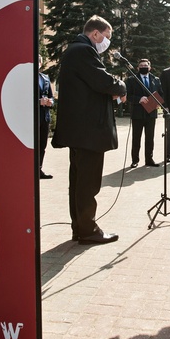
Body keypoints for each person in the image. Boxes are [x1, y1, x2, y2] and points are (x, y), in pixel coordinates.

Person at [51, 16, 127, 245]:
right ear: (95, 34)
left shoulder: (76, 50)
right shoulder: (83, 51)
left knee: (79, 181)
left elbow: (92, 85)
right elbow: (102, 80)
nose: (107, 43)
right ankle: (87, 230)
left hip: (81, 130)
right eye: (107, 37)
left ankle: (80, 227)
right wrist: (121, 86)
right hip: (88, 131)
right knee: (87, 183)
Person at [125, 59, 163, 168]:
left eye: (145, 65)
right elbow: (127, 96)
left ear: (149, 67)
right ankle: (135, 160)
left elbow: (161, 94)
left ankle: (149, 159)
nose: (143, 67)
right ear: (138, 68)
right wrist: (139, 99)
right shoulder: (132, 79)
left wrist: (158, 103)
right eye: (141, 65)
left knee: (150, 138)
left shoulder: (156, 80)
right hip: (137, 113)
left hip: (151, 113)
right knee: (136, 138)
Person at [37, 58, 54, 180]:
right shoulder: (28, 78)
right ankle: (30, 169)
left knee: (42, 144)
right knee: (34, 144)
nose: (37, 63)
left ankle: (39, 169)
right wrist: (38, 101)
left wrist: (50, 102)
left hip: (45, 116)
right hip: (33, 117)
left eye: (39, 61)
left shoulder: (45, 78)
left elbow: (51, 97)